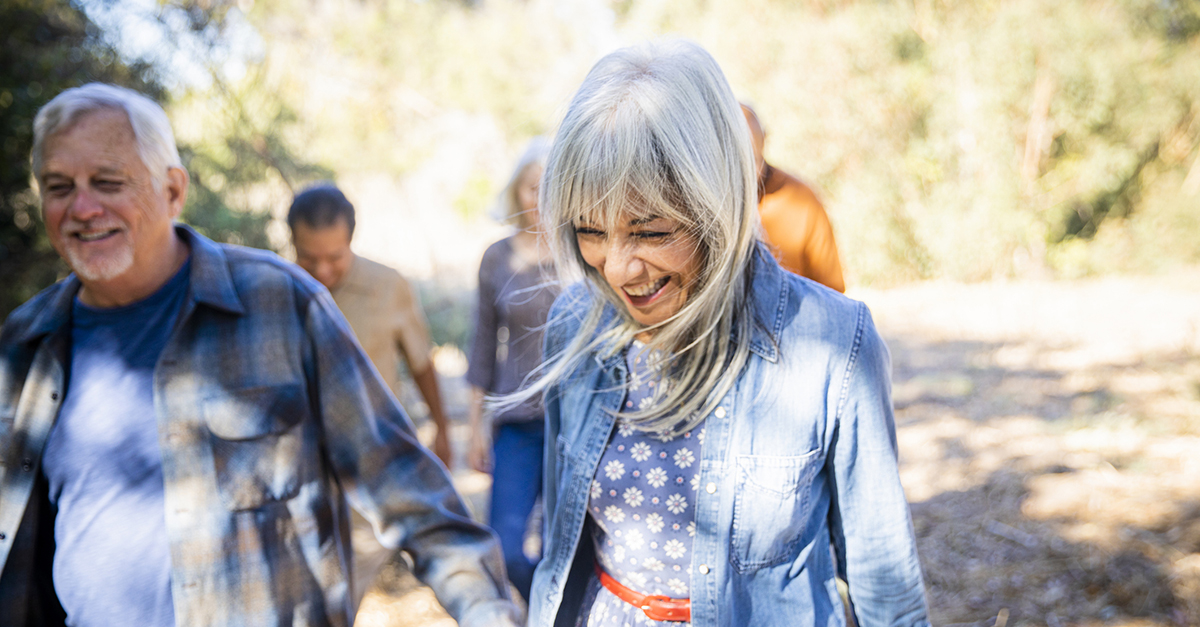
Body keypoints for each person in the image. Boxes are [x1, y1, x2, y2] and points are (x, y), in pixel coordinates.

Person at [0, 83, 519, 627]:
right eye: (59, 187)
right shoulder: (26, 342)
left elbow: (406, 488)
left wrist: (488, 612)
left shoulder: (280, 303)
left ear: (173, 190)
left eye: (108, 182)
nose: (82, 208)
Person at [519, 42, 930, 626]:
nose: (615, 270)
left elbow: (885, 582)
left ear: (720, 203)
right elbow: (563, 549)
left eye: (651, 231)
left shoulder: (835, 343)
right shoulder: (572, 327)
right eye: (589, 230)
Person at [287, 184, 455, 608]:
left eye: (334, 257)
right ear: (292, 243)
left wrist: (442, 428)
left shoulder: (387, 286)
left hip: (369, 458)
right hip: (301, 459)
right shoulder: (277, 289)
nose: (322, 271)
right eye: (309, 258)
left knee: (349, 577)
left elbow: (420, 362)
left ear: (351, 240)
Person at [464, 138, 559, 602]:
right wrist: (475, 428)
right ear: (516, 192)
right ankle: (540, 605)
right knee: (504, 545)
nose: (538, 199)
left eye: (548, 188)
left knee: (563, 547)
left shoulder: (580, 252)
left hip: (570, 422)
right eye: (530, 188)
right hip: (515, 424)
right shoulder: (496, 258)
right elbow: (482, 345)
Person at [741, 103, 846, 292]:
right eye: (740, 161)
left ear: (764, 139)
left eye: (754, 160)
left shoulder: (801, 200)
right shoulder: (702, 205)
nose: (749, 172)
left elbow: (831, 289)